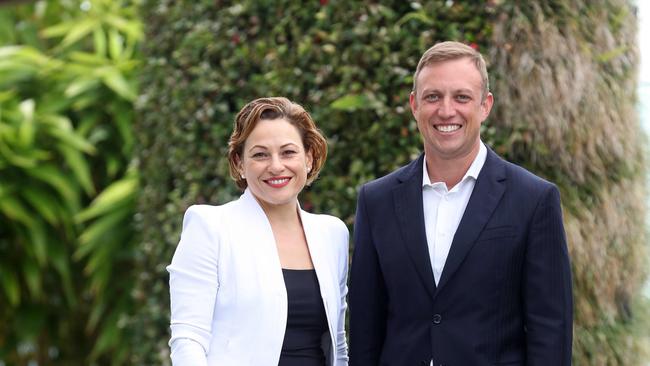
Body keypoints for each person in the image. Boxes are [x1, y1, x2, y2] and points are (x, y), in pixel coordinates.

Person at [349, 41, 573, 366]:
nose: (446, 110)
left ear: (485, 106)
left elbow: (551, 332)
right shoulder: (376, 201)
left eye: (462, 97)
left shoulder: (534, 200)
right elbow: (365, 329)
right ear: (414, 104)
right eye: (433, 97)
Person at [167, 97, 349, 366]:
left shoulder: (332, 234)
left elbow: (338, 343)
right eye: (260, 154)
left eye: (288, 152)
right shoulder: (210, 227)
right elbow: (188, 340)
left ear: (309, 158)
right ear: (240, 162)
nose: (276, 166)